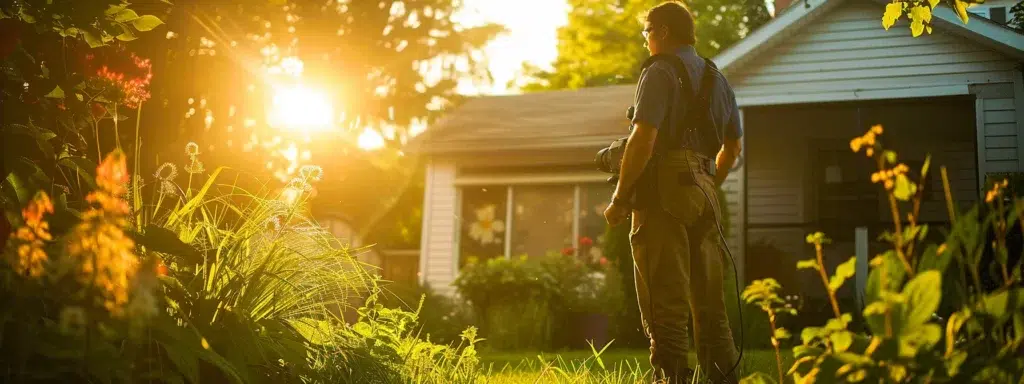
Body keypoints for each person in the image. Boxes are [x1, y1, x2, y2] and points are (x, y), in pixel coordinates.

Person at [602, 2, 744, 383]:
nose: (646, 39)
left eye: (647, 31)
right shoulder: (720, 80)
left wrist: (619, 199)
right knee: (711, 305)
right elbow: (733, 149)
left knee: (665, 300)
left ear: (663, 32)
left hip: (663, 191)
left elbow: (643, 138)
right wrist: (708, 183)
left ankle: (671, 379)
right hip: (705, 189)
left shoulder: (660, 70)